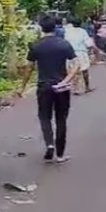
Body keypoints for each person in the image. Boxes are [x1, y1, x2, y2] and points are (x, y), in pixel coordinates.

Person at [18, 15, 80, 163]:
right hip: (61, 87)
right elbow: (76, 64)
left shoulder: (36, 45)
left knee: (44, 117)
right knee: (61, 119)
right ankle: (60, 155)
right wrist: (66, 80)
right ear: (55, 27)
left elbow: (29, 68)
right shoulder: (64, 44)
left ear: (41, 28)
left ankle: (49, 144)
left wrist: (22, 87)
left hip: (44, 86)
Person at [64, 16, 103, 94]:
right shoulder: (82, 31)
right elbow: (89, 44)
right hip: (81, 53)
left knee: (73, 71)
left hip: (70, 53)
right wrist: (96, 50)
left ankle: (75, 88)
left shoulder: (67, 31)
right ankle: (87, 87)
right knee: (84, 70)